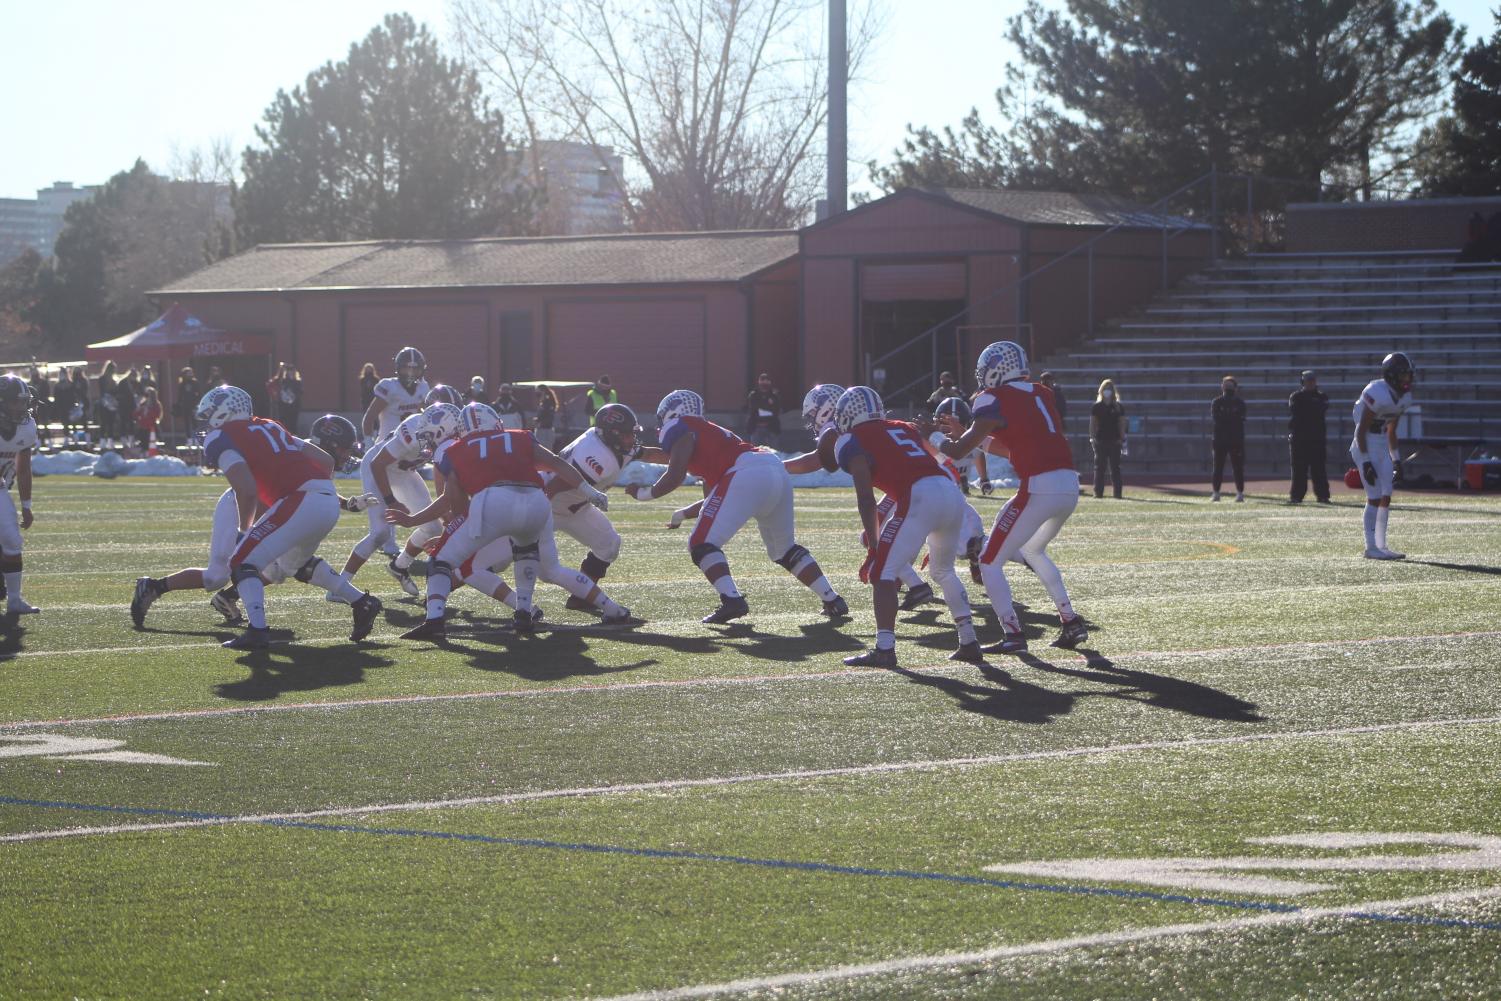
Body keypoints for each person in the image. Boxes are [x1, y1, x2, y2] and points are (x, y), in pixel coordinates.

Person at [131, 415, 375, 629]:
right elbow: (264, 492)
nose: (348, 454)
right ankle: (154, 586)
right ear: (329, 444)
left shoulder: (311, 455)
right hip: (243, 503)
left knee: (282, 567)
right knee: (219, 574)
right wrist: (249, 531)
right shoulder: (307, 453)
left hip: (273, 505)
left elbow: (307, 488)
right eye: (344, 448)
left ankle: (230, 597)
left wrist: (345, 504)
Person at [626, 389, 847, 624]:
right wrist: (681, 514)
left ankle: (732, 600)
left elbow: (675, 472)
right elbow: (710, 501)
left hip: (747, 472)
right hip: (773, 470)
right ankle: (832, 599)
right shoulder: (710, 441)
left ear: (672, 412)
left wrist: (644, 494)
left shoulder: (681, 426)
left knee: (701, 544)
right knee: (784, 549)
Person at [197, 387, 382, 649]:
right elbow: (325, 461)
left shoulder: (221, 436)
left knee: (242, 560)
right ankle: (362, 602)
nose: (206, 421)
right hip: (324, 498)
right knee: (296, 564)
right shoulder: (270, 426)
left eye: (209, 414)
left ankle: (257, 631)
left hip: (299, 500)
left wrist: (244, 530)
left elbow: (247, 490)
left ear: (224, 411)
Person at [389, 422, 610, 640]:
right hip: (537, 503)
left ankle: (434, 620)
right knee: (530, 553)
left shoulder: (456, 449)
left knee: (442, 560)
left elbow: (452, 500)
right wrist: (588, 491)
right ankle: (524, 611)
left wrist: (449, 532)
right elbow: (555, 463)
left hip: (494, 506)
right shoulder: (519, 437)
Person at [940, 340, 1087, 653]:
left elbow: (957, 450)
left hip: (1040, 487)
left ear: (996, 369)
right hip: (1068, 485)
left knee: (989, 560)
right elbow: (1013, 447)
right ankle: (1071, 622)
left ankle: (1014, 635)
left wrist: (935, 436)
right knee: (1033, 551)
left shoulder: (992, 398)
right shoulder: (1042, 393)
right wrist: (969, 432)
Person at [834, 386, 982, 667]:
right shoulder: (903, 427)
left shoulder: (851, 440)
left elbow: (866, 498)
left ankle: (885, 649)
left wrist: (875, 543)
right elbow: (935, 458)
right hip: (950, 492)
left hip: (919, 495)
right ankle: (969, 640)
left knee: (883, 572)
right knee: (944, 570)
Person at [337, 403, 462, 597]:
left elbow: (441, 477)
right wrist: (391, 501)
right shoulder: (414, 428)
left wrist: (446, 513)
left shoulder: (448, 438)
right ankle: (339, 586)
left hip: (404, 472)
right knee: (380, 533)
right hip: (377, 468)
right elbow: (378, 464)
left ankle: (399, 566)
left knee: (433, 529)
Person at [1351, 353, 1415, 559]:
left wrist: (1397, 459)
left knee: (1386, 495)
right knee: (1375, 496)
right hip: (1365, 444)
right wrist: (1366, 461)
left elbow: (1391, 431)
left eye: (1409, 375)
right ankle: (1371, 547)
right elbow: (1360, 432)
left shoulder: (1404, 398)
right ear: (1392, 375)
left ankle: (1381, 545)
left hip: (1380, 445)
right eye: (1404, 375)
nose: (1407, 380)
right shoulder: (1376, 392)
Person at [0, 375, 40, 614]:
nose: (22, 407)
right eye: (16, 402)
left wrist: (26, 505)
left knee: (13, 540)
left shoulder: (26, 428)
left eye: (24, 401)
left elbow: (23, 468)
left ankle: (14, 600)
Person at [362, 347, 430, 441]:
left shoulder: (423, 388)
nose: (410, 373)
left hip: (411, 446)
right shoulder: (389, 387)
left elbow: (424, 419)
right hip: (386, 444)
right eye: (406, 368)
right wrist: (368, 443)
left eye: (415, 369)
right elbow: (369, 418)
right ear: (398, 368)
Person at [1288, 370, 1330, 504]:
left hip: (1317, 438)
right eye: (1308, 381)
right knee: (1298, 469)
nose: (1311, 383)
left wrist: (1309, 408)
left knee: (1319, 468)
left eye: (1312, 380)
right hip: (1299, 438)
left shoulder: (1322, 396)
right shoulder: (1296, 396)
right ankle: (1296, 496)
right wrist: (1311, 407)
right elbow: (1297, 410)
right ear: (1303, 382)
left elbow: (1319, 409)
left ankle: (1323, 495)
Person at [1210, 375, 1247, 502]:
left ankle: (1240, 492)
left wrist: (1227, 417)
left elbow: (1239, 419)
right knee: (1218, 467)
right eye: (1225, 386)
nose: (1227, 389)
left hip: (1235, 439)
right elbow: (1217, 419)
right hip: (1220, 439)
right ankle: (1216, 492)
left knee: (1237, 467)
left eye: (1229, 386)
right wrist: (1230, 417)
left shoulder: (1239, 402)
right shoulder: (1217, 401)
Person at [1089, 379, 1126, 499]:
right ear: (1101, 390)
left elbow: (1121, 423)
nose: (1107, 391)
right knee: (1099, 468)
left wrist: (1122, 438)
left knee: (1115, 468)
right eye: (1105, 389)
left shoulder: (1118, 407)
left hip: (1115, 441)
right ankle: (1098, 492)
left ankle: (1118, 493)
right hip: (1101, 441)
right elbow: (1092, 424)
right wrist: (1093, 438)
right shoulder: (1096, 407)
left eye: (1109, 389)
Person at [744, 373, 782, 447]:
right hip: (756, 427)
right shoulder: (753, 395)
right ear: (759, 382)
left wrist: (762, 410)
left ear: (769, 382)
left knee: (773, 451)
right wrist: (768, 410)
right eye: (762, 380)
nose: (764, 383)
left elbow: (776, 410)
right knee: (756, 451)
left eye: (766, 381)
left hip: (771, 427)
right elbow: (754, 409)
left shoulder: (774, 395)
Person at [96, 361, 121, 450]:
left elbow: (116, 392)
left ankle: (110, 441)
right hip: (104, 403)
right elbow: (102, 391)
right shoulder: (102, 379)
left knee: (110, 423)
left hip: (111, 404)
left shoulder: (114, 380)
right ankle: (103, 442)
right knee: (104, 423)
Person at [133, 386, 162, 455]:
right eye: (146, 395)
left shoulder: (156, 404)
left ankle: (149, 455)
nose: (147, 397)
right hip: (142, 427)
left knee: (150, 444)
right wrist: (139, 409)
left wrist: (149, 410)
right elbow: (135, 415)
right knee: (143, 444)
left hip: (151, 428)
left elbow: (157, 416)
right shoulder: (143, 404)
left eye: (149, 395)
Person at [173, 367, 199, 445]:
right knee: (186, 423)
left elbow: (199, 393)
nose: (190, 374)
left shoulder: (195, 382)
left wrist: (197, 404)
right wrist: (178, 404)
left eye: (191, 372)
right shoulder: (182, 383)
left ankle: (197, 439)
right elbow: (180, 395)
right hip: (185, 406)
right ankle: (189, 440)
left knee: (194, 423)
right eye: (188, 373)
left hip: (193, 405)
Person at [533, 384, 558, 448]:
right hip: (548, 428)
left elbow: (544, 415)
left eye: (537, 391)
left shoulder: (546, 403)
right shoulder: (547, 402)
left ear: (543, 391)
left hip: (543, 430)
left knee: (541, 449)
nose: (536, 393)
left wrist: (537, 420)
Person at [69, 368, 90, 444]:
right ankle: (75, 440)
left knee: (84, 422)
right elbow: (71, 392)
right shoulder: (72, 382)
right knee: (74, 422)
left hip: (83, 403)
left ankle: (88, 440)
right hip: (74, 404)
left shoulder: (84, 381)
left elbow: (84, 392)